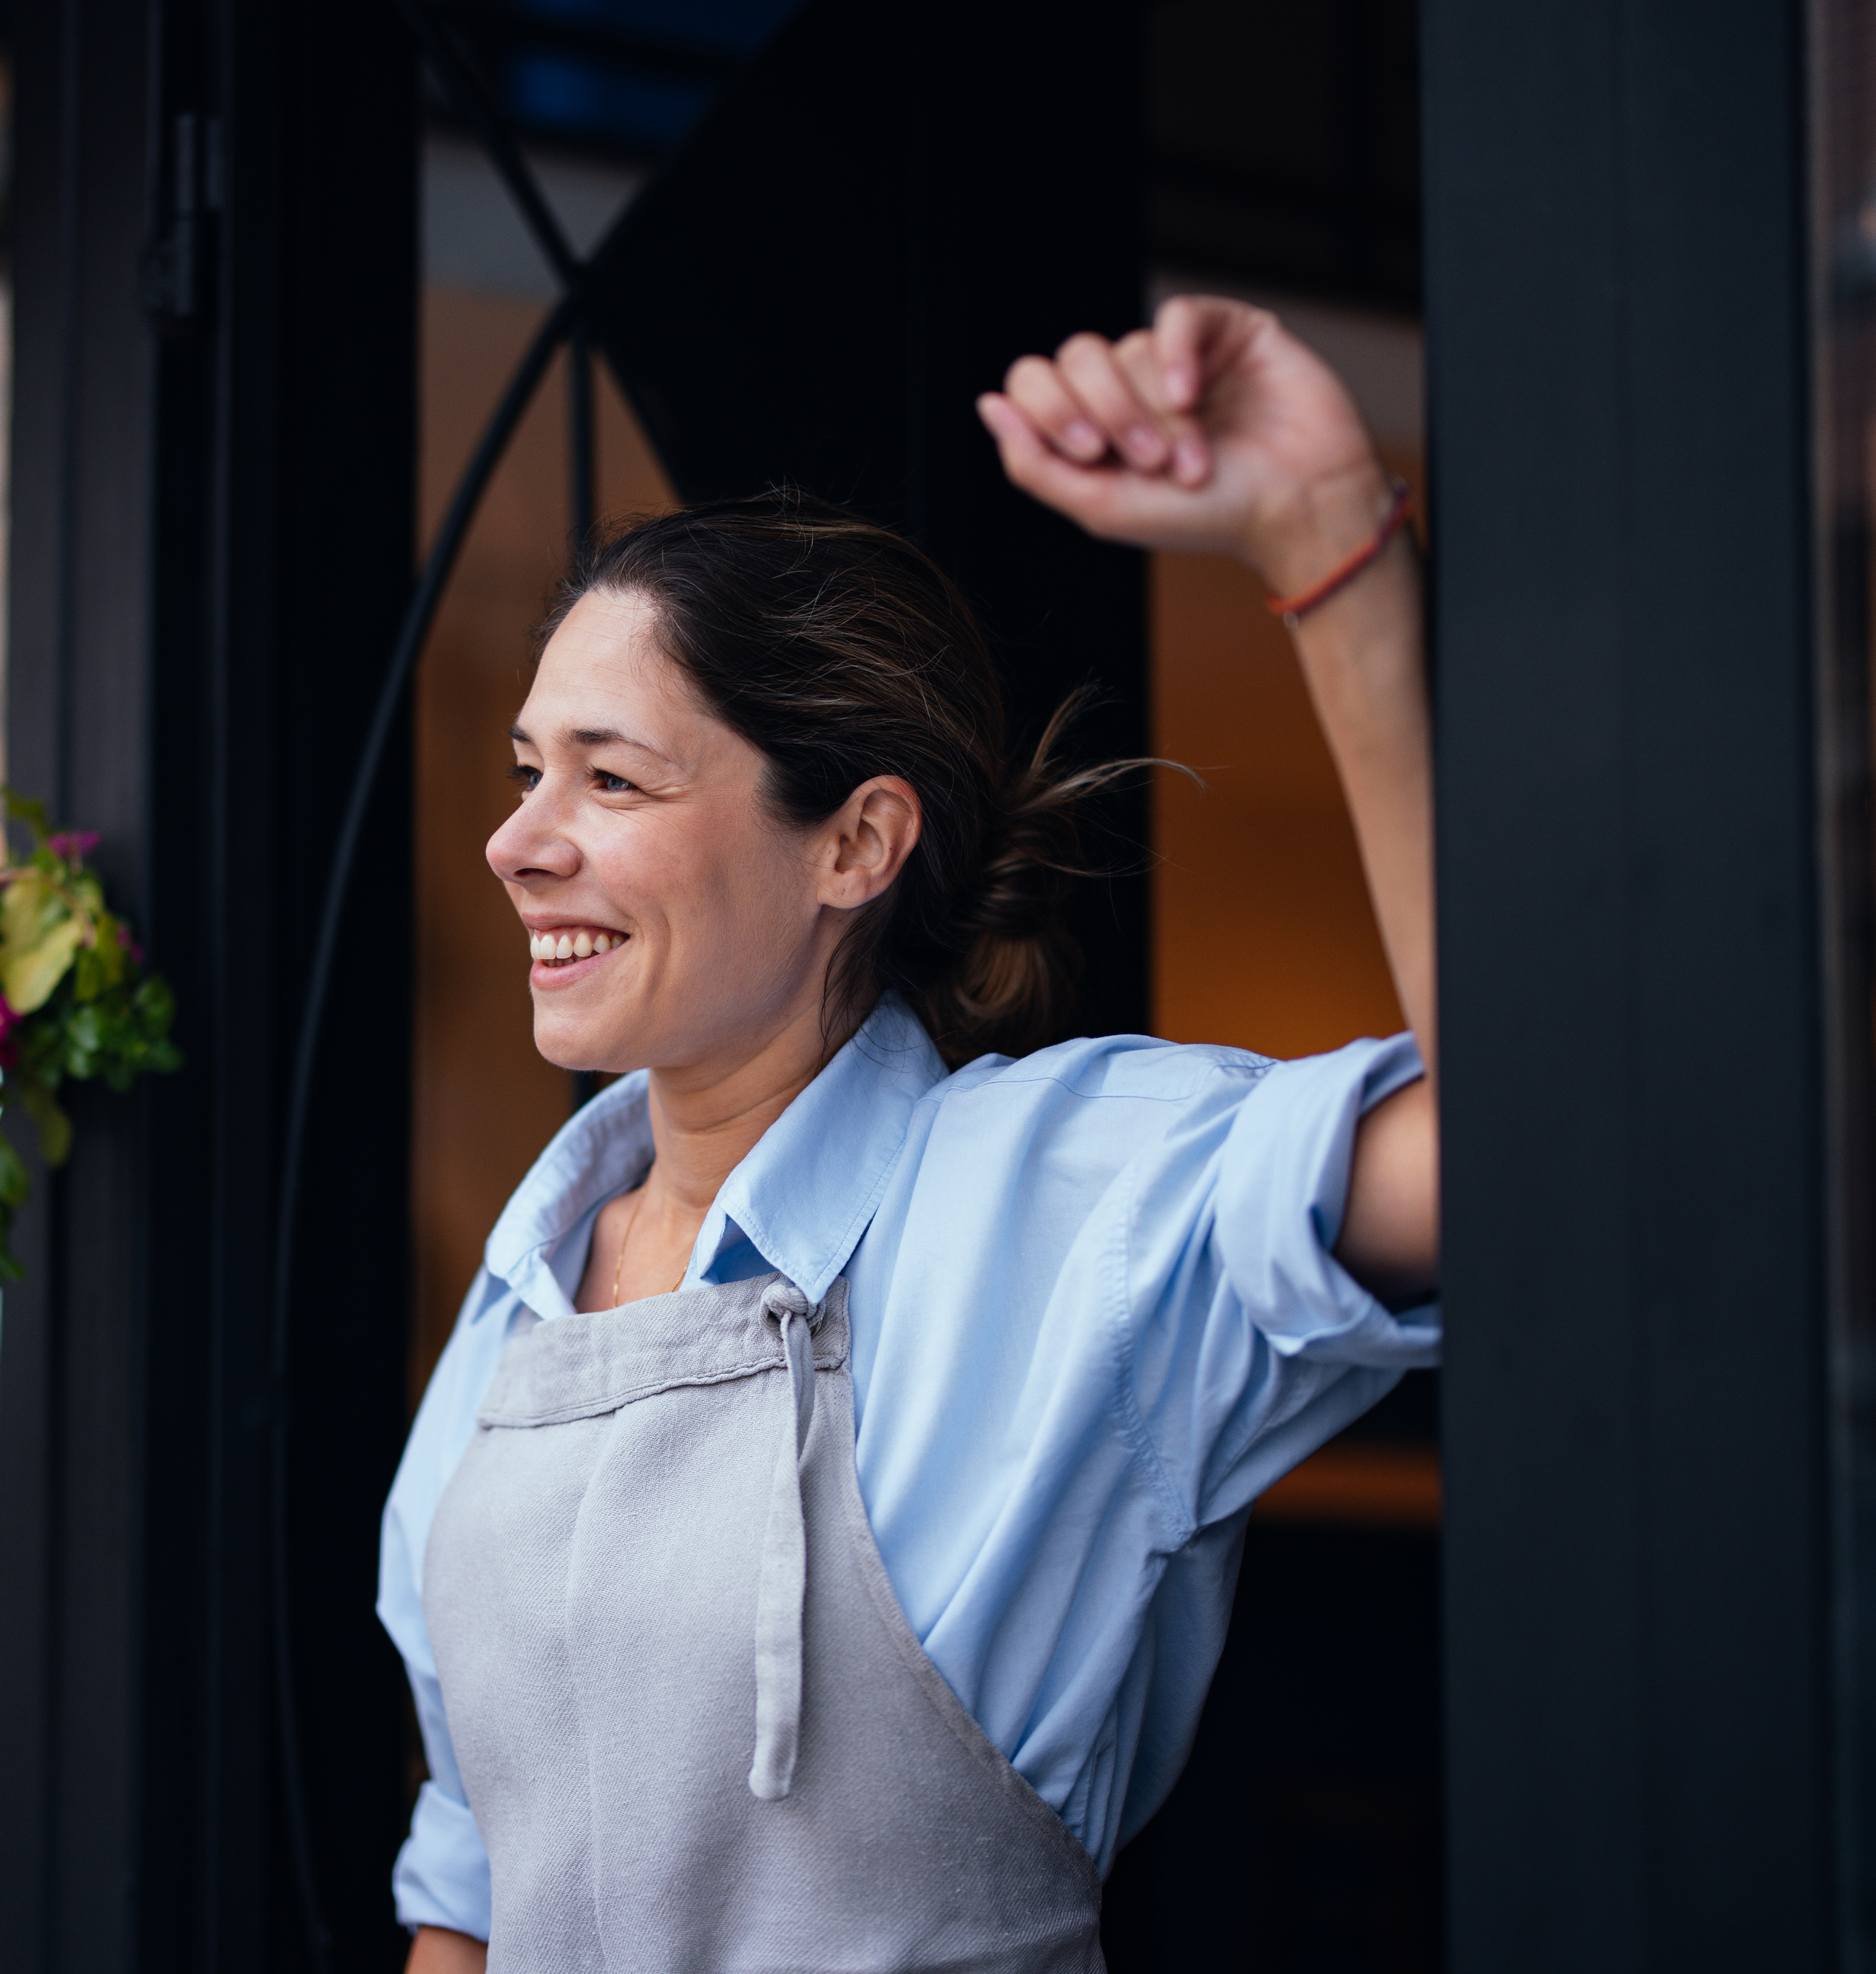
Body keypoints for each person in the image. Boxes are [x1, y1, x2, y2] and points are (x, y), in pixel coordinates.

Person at [381, 295, 1438, 1973]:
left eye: (612, 779)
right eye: (526, 771)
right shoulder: (516, 1303)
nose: (516, 841)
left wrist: (1330, 557)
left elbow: (1514, 1163)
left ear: (854, 842)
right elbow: (470, 1894)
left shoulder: (1065, 1197)